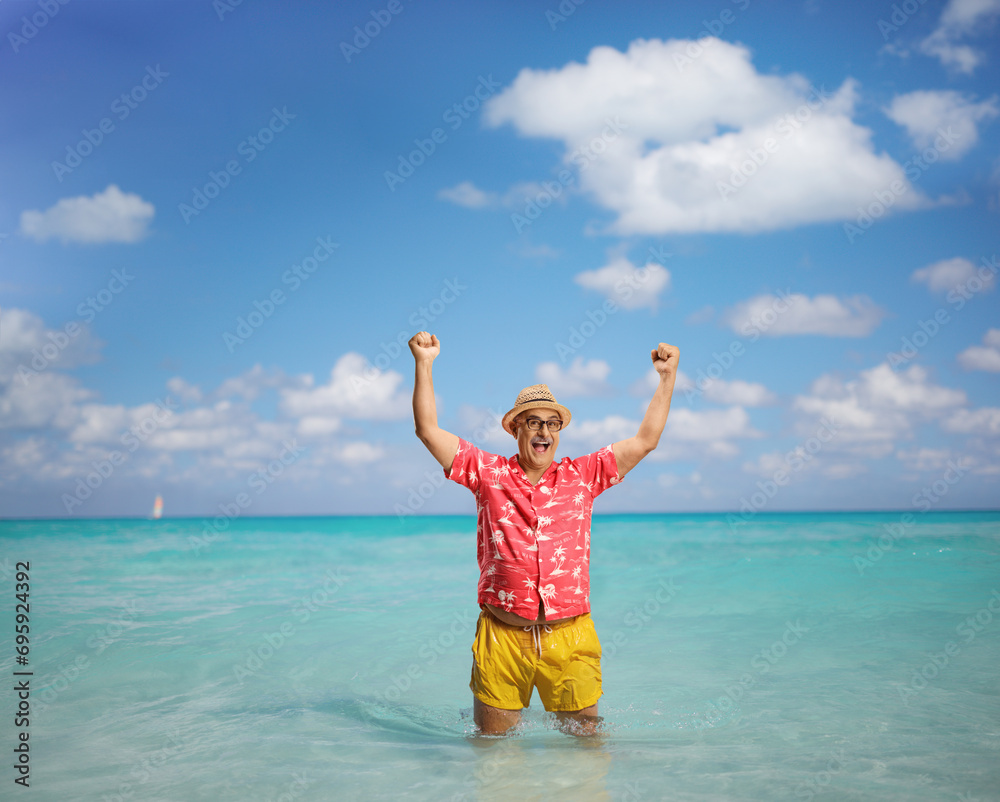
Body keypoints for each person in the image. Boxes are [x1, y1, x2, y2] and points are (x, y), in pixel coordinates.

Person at [408, 331, 679, 736]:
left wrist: (667, 377)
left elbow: (646, 441)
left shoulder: (583, 475)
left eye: (552, 424)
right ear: (515, 428)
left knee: (587, 753)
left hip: (569, 637)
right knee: (493, 757)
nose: (544, 432)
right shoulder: (487, 473)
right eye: (534, 422)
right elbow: (428, 430)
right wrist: (424, 364)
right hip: (502, 637)